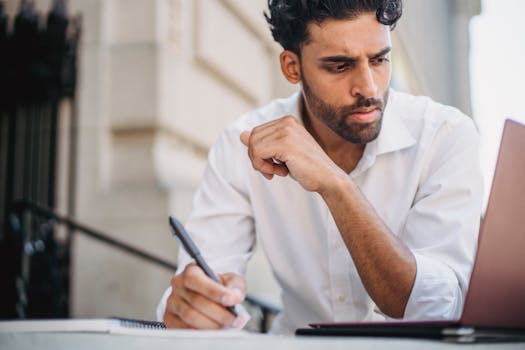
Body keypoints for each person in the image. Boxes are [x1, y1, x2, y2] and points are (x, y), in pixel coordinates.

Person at [157, 0, 483, 334]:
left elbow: (437, 307)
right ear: (292, 68)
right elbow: (206, 278)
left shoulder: (445, 136)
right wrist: (195, 305)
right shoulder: (241, 142)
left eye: (379, 59)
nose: (369, 88)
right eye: (340, 66)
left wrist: (336, 185)